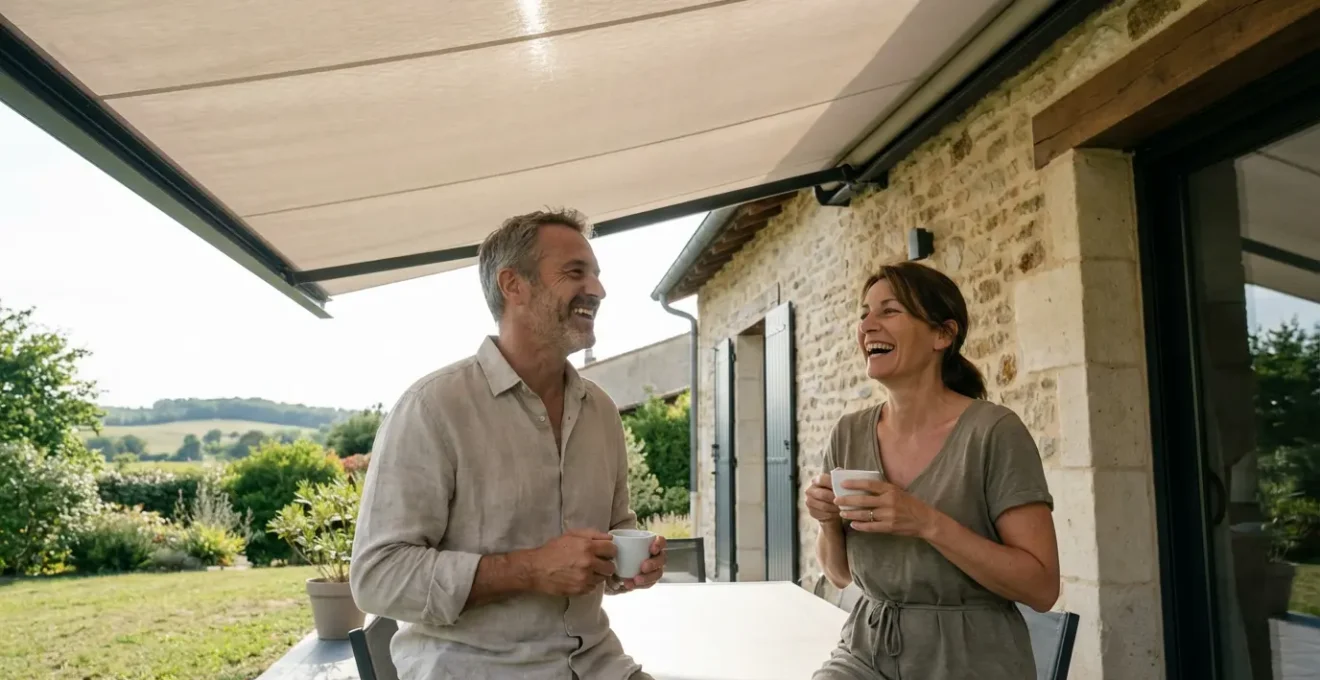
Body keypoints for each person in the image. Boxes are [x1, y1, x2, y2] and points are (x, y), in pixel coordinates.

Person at [351, 209, 665, 680]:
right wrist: (531, 569)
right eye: (575, 273)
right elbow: (377, 578)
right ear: (513, 285)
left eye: (597, 275)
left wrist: (628, 568)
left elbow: (615, 529)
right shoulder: (432, 408)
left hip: (600, 666)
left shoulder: (601, 411)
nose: (597, 290)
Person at [806, 261, 1059, 680]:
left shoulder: (994, 432)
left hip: (972, 659)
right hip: (866, 651)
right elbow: (840, 574)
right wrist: (827, 522)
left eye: (889, 311)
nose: (867, 325)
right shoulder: (848, 433)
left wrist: (924, 520)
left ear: (943, 334)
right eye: (863, 313)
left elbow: (1042, 587)